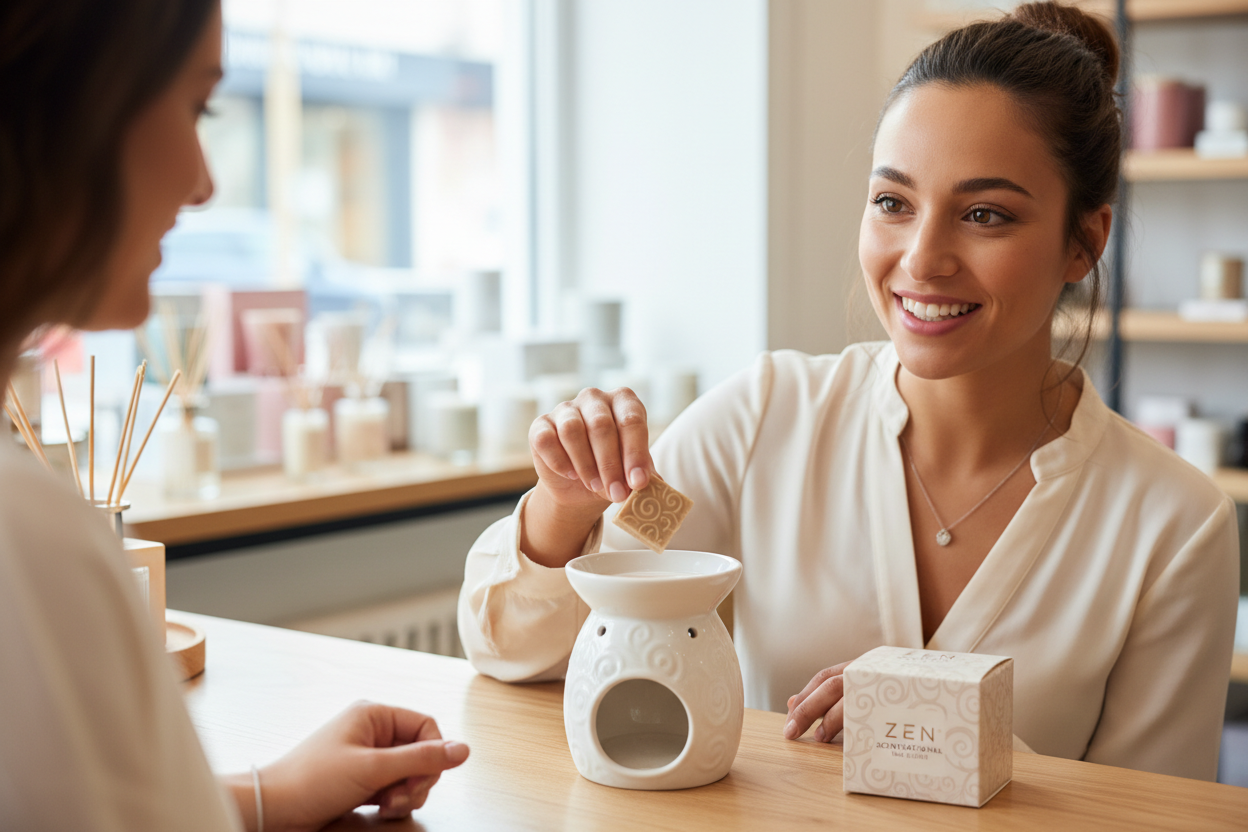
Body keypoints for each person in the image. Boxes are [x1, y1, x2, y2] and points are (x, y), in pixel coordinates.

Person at [459, 1, 1240, 782]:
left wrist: (949, 728)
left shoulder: (1173, 527)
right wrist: (564, 513)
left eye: (983, 214)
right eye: (893, 203)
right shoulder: (762, 422)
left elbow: (1161, 810)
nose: (922, 259)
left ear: (1084, 241)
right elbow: (541, 638)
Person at [0, 2, 468, 829]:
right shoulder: (28, 542)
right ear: (64, 105)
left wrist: (269, 795)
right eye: (196, 106)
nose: (205, 182)